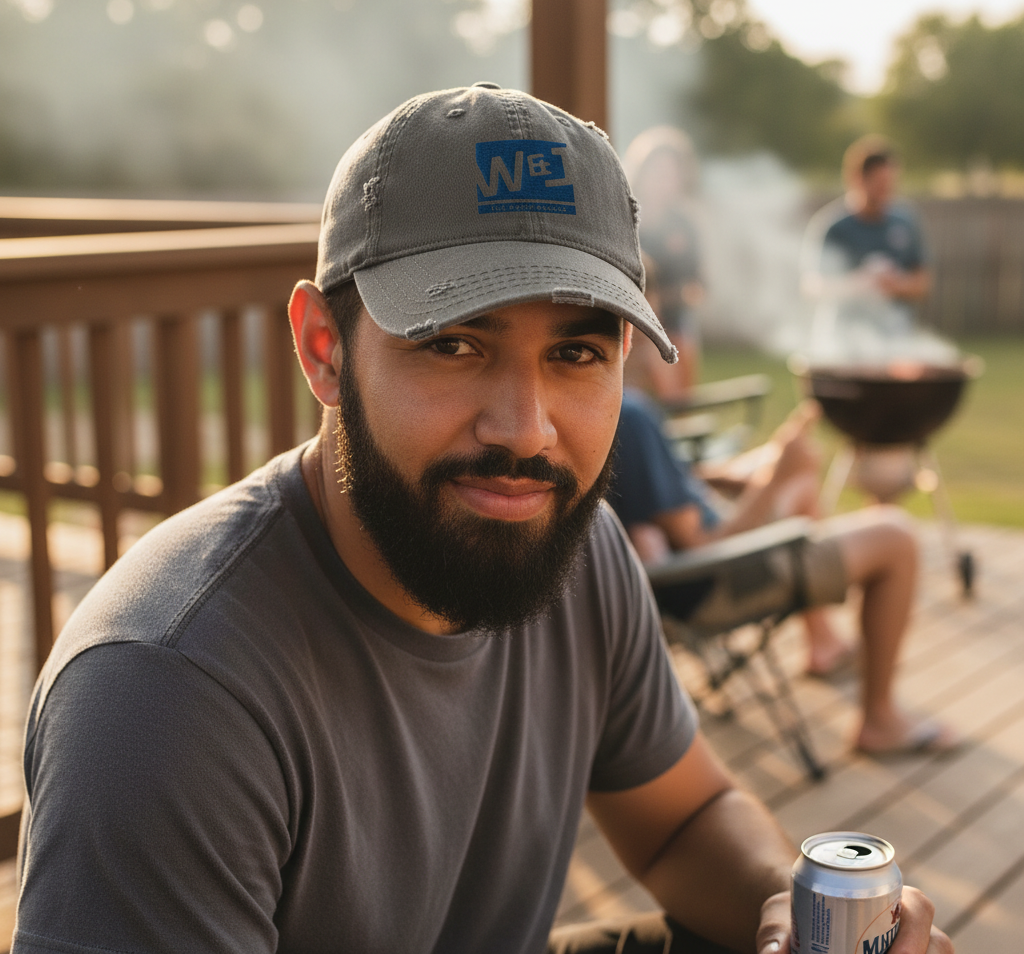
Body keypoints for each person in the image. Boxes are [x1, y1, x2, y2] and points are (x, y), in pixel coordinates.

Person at [13, 86, 951, 954]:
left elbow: (682, 819)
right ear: (323, 349)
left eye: (577, 351)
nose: (525, 431)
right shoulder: (166, 693)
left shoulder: (584, 554)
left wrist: (778, 907)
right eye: (453, 343)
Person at [609, 387, 958, 756]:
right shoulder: (628, 414)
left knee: (801, 483)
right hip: (714, 580)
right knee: (896, 536)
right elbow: (705, 544)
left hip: (691, 571)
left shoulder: (604, 409)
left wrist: (744, 473)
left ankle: (824, 644)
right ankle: (880, 722)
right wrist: (773, 478)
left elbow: (662, 489)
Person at [802, 136, 932, 359]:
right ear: (857, 179)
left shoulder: (906, 222)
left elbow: (922, 284)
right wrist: (860, 283)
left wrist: (893, 285)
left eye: (891, 184)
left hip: (894, 339)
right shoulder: (833, 227)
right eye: (880, 184)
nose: (887, 192)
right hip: (843, 342)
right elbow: (813, 287)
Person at [623, 126, 706, 401]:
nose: (664, 181)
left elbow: (699, 284)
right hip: (634, 319)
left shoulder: (685, 225)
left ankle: (679, 413)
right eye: (657, 173)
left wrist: (686, 296)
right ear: (640, 173)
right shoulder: (625, 222)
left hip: (674, 320)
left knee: (682, 342)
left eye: (671, 174)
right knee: (654, 352)